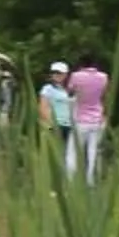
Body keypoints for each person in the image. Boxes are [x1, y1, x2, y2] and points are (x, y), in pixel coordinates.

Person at [69, 54, 110, 183]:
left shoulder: (76, 76)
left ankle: (70, 179)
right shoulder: (103, 77)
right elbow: (105, 95)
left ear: (81, 64)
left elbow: (70, 92)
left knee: (74, 151)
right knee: (93, 151)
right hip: (97, 118)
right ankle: (90, 180)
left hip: (81, 119)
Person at [41, 62, 77, 171]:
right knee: (57, 154)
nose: (56, 75)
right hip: (56, 125)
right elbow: (43, 107)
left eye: (59, 73)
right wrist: (50, 123)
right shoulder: (48, 89)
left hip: (71, 125)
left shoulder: (71, 90)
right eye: (54, 73)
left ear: (66, 75)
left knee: (70, 156)